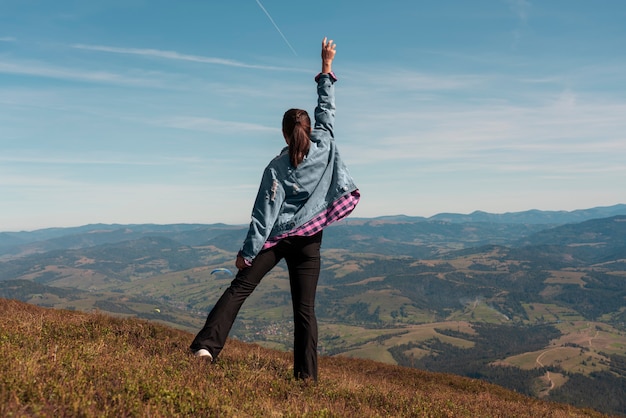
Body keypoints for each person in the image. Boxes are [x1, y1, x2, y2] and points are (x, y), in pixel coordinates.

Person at [190, 37, 360, 382]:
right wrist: (327, 66)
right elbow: (326, 107)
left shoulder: (277, 168)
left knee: (239, 288)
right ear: (309, 130)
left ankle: (206, 348)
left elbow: (263, 217)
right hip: (311, 238)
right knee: (305, 311)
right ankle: (306, 378)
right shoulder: (325, 143)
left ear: (284, 135)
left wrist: (247, 255)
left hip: (278, 238)